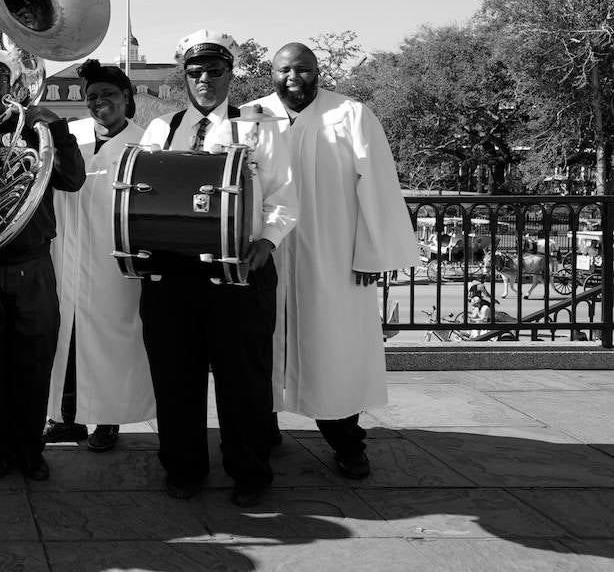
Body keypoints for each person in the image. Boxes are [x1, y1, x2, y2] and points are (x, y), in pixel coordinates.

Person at [137, 29, 297, 508]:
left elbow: (284, 197)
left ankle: (249, 470)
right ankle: (183, 468)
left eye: (214, 71)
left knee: (243, 378)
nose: (204, 79)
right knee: (174, 376)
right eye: (194, 71)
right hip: (173, 271)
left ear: (231, 74)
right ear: (183, 76)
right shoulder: (160, 129)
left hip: (241, 270)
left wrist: (266, 242)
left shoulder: (261, 128)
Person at [248, 43, 416, 479]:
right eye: (285, 70)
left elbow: (377, 185)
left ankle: (347, 443)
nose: (294, 78)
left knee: (333, 351)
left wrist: (371, 253)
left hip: (333, 254)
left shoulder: (351, 114)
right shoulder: (250, 116)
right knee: (260, 346)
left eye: (303, 70)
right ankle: (261, 433)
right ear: (272, 72)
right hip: (265, 252)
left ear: (317, 71)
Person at [0, 46, 86, 482]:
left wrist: (55, 127)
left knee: (35, 359)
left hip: (32, 267)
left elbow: (72, 179)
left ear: (10, 86)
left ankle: (30, 447)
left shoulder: (36, 130)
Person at [44, 60, 156, 452]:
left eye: (108, 95)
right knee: (66, 339)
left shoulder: (148, 143)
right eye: (91, 96)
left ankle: (108, 418)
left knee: (110, 342)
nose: (98, 102)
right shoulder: (69, 134)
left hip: (115, 264)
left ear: (126, 97)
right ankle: (64, 417)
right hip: (65, 253)